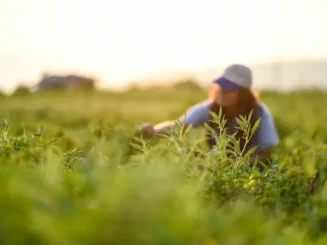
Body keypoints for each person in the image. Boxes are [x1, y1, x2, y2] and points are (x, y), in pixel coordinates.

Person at [140, 64, 279, 167]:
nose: (221, 91)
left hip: (251, 174)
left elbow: (267, 154)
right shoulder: (209, 108)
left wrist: (234, 164)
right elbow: (180, 125)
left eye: (229, 88)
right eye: (221, 85)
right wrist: (154, 131)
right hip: (217, 169)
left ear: (243, 94)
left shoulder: (259, 113)